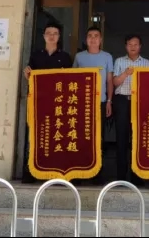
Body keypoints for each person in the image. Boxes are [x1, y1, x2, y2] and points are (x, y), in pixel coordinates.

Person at [22, 22, 73, 183]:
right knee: (36, 136)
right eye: (49, 33)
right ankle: (31, 172)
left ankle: (56, 173)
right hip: (38, 102)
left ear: (59, 37)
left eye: (55, 33)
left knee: (57, 137)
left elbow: (70, 81)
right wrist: (27, 74)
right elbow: (30, 77)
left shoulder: (65, 57)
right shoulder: (36, 56)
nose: (52, 36)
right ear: (44, 36)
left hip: (57, 104)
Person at [73, 26, 114, 184]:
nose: (93, 38)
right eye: (90, 35)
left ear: (101, 39)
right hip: (81, 104)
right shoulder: (79, 57)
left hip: (100, 102)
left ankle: (97, 173)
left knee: (98, 137)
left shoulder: (107, 57)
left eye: (96, 36)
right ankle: (79, 172)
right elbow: (72, 79)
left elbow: (109, 81)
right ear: (86, 39)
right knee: (80, 137)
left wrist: (109, 101)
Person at [112, 34, 149, 186]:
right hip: (122, 101)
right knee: (121, 138)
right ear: (126, 46)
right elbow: (115, 82)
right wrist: (125, 73)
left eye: (136, 44)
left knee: (139, 139)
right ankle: (121, 177)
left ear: (140, 46)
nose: (133, 47)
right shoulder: (119, 61)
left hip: (140, 103)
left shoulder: (147, 63)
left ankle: (137, 176)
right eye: (130, 44)